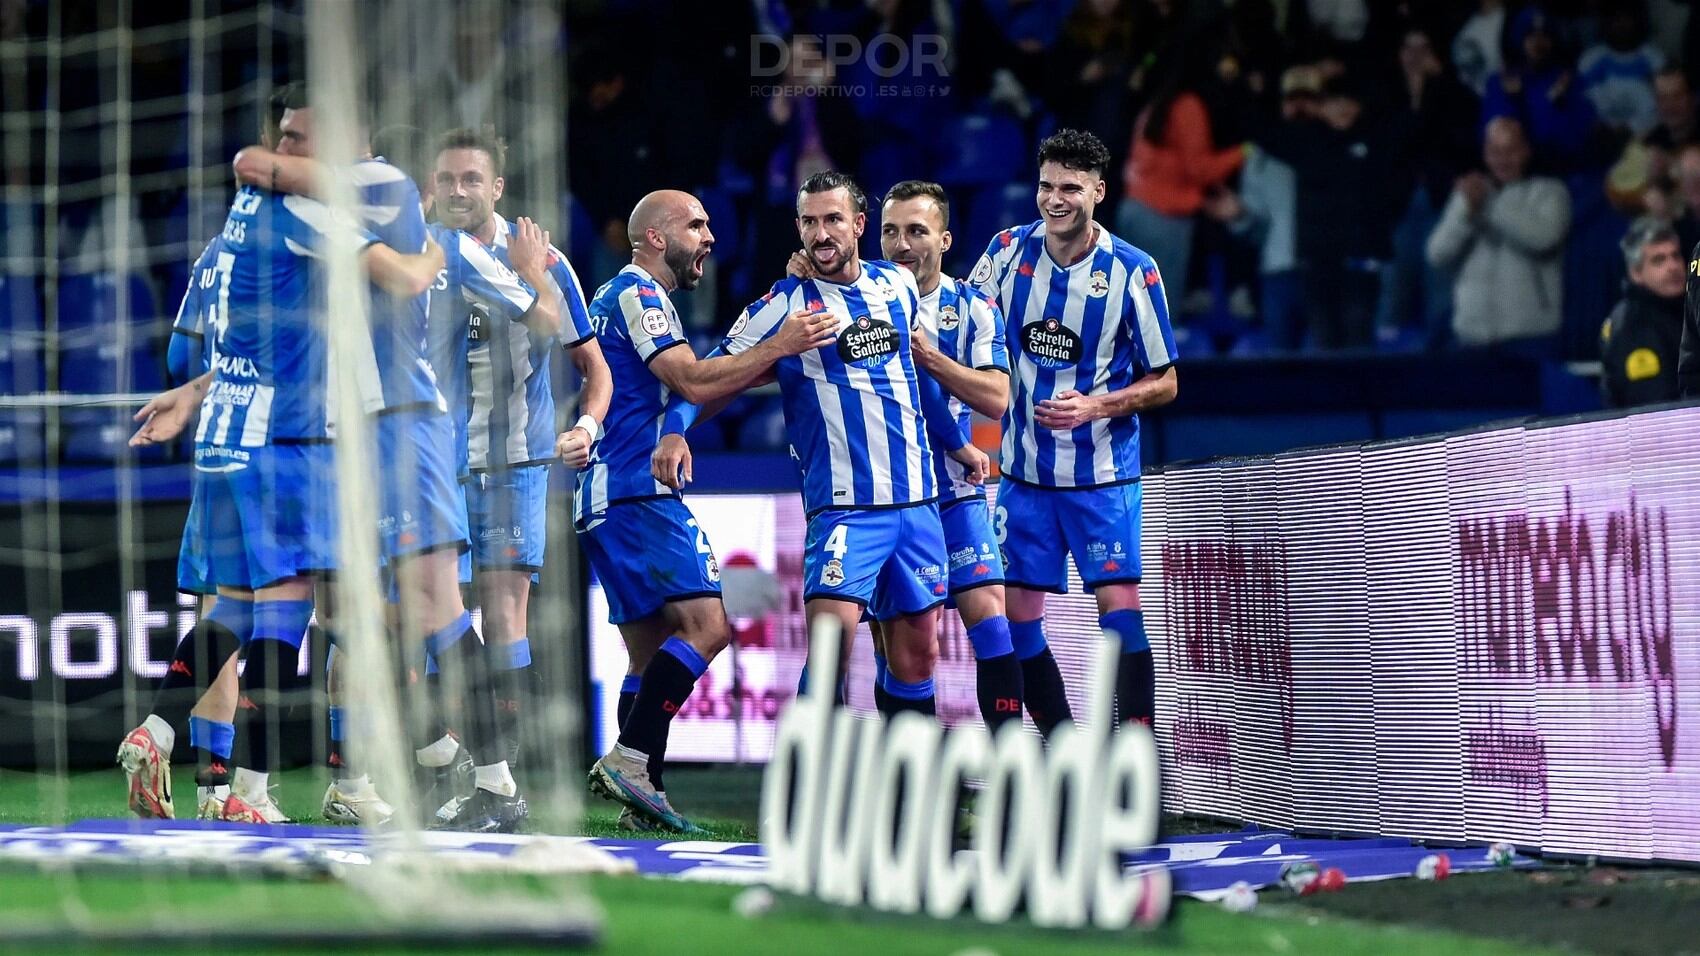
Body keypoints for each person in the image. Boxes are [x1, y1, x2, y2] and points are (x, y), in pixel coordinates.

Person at [120, 124, 444, 825]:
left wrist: (189, 394)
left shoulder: (229, 235)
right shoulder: (312, 213)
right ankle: (254, 787)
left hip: (229, 433)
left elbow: (194, 352)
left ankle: (166, 734)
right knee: (302, 609)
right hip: (301, 442)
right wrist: (437, 249)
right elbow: (410, 273)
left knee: (240, 605)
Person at [224, 90, 526, 832]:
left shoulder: (380, 180)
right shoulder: (329, 217)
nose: (295, 150)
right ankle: (419, 751)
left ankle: (495, 780)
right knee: (348, 610)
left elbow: (252, 165)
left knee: (432, 605)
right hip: (351, 434)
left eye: (309, 136)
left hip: (402, 425)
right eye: (291, 137)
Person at [653, 172, 988, 724]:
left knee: (917, 655)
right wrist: (674, 429)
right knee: (830, 653)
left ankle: (906, 798)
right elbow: (712, 375)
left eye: (832, 220)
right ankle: (796, 800)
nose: (820, 233)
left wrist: (956, 444)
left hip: (918, 504)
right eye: (808, 222)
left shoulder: (897, 287)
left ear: (858, 225)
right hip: (845, 509)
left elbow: (916, 378)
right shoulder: (784, 303)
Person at [581, 189, 837, 831]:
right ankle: (632, 762)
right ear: (656, 238)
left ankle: (644, 795)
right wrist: (778, 344)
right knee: (712, 624)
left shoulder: (638, 298)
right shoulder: (638, 294)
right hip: (636, 488)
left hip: (606, 492)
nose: (710, 237)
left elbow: (709, 377)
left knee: (647, 655)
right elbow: (694, 381)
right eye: (697, 225)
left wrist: (775, 344)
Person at [967, 129, 1179, 732]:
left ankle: (1133, 766)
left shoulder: (1134, 272)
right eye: (1045, 186)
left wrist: (1097, 406)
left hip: (1103, 477)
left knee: (1121, 614)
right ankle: (1063, 753)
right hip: (1025, 476)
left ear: (1098, 192)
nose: (1054, 200)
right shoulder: (1007, 251)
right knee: (1017, 622)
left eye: (1070, 188)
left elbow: (1165, 381)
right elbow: (958, 319)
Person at [425, 127, 611, 779]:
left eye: (471, 179)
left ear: (497, 187)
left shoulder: (547, 263)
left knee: (504, 610)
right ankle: (447, 746)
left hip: (515, 465)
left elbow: (596, 370)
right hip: (435, 463)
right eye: (446, 179)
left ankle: (501, 768)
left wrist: (585, 428)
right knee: (419, 608)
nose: (457, 191)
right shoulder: (421, 257)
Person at [861, 180, 1023, 731]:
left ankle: (1008, 776)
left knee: (992, 623)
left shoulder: (973, 307)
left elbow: (996, 398)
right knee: (901, 648)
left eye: (916, 231)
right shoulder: (857, 298)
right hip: (887, 500)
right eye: (890, 231)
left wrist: (928, 357)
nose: (901, 244)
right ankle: (909, 783)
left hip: (955, 493)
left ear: (944, 239)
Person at [1426, 116, 1572, 350]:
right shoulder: (1470, 194)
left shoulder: (1550, 192)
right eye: (1495, 151)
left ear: (1526, 150)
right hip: (1471, 336)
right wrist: (1465, 216)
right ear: (1484, 153)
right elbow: (1437, 255)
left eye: (1511, 151)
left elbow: (1544, 238)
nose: (1502, 160)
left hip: (1530, 336)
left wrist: (1488, 206)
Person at [1602, 218, 1686, 407]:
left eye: (1675, 255)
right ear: (1636, 273)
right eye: (1658, 260)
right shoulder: (1633, 325)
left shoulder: (1679, 309)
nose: (1673, 266)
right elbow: (1654, 411)